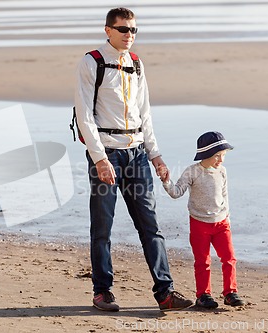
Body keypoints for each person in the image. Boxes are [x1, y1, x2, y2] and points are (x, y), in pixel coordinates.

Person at [74, 7, 193, 312]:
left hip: (137, 155)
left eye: (134, 30)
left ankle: (165, 293)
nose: (129, 36)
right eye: (124, 29)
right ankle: (102, 291)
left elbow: (146, 114)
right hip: (107, 155)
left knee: (150, 226)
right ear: (108, 30)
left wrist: (155, 155)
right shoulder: (92, 62)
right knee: (102, 227)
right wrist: (99, 159)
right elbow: (85, 115)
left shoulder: (137, 64)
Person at [161, 131, 246, 308]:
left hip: (221, 223)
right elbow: (176, 193)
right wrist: (166, 181)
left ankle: (230, 292)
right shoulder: (192, 172)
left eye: (223, 156)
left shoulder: (222, 172)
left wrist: (227, 217)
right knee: (202, 260)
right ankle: (203, 295)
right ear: (206, 154)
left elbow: (225, 196)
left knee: (229, 257)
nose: (221, 160)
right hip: (199, 224)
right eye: (217, 156)